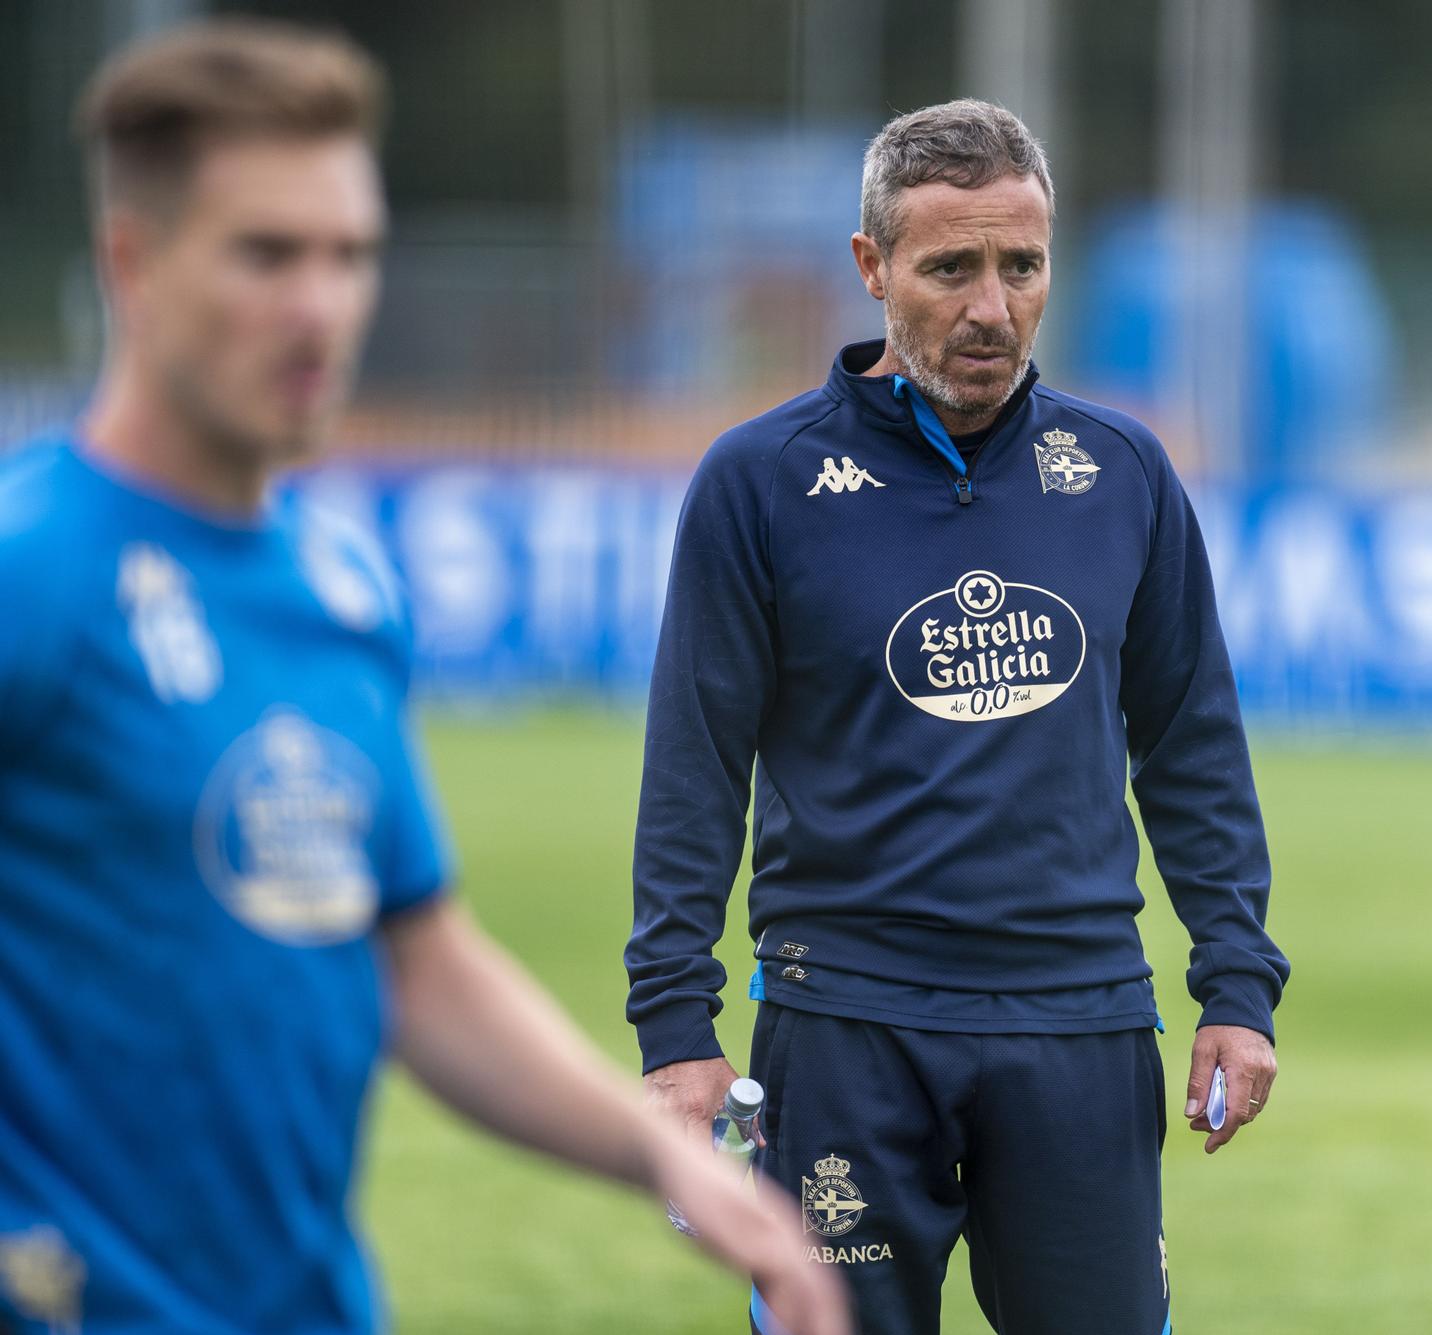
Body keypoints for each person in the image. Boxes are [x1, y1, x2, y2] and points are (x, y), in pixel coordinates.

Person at [0, 21, 847, 1335]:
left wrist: (666, 1153)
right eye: (266, 253)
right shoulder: (34, 570)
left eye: (350, 255)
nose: (320, 304)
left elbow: (417, 953)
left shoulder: (340, 591)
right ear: (132, 263)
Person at [628, 99, 1289, 1334]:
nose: (991, 308)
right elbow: (694, 767)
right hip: (843, 1032)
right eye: (950, 268)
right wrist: (677, 1030)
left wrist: (1237, 990)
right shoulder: (758, 484)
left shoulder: (1126, 475)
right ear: (871, 267)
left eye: (1020, 266)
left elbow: (1193, 746)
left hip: (1080, 1026)